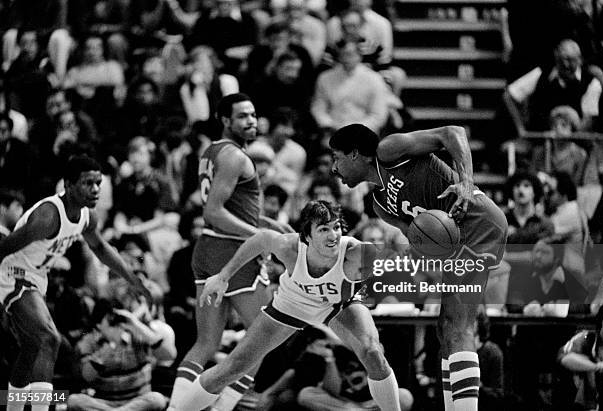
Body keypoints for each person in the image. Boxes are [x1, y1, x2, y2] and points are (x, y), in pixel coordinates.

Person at [329, 123, 508, 411]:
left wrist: (466, 182)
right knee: (445, 329)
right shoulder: (379, 205)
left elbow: (453, 133)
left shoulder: (388, 151)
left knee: (458, 326)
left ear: (355, 154)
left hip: (478, 224)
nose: (333, 169)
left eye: (336, 158)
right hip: (455, 242)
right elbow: (421, 244)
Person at [170, 200, 403, 411]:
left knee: (373, 352)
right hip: (293, 303)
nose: (333, 235)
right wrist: (223, 277)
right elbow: (260, 239)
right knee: (233, 367)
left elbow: (403, 265)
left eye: (336, 227)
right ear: (307, 236)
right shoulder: (289, 247)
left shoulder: (356, 252)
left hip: (339, 303)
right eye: (323, 229)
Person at [0, 154, 148, 411]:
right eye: (87, 183)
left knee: (32, 347)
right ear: (68, 185)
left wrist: (132, 280)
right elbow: (4, 249)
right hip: (12, 272)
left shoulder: (87, 217)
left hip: (36, 277)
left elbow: (101, 248)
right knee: (49, 338)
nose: (95, 189)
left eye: (98, 183)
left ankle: (12, 407)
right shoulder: (47, 217)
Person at [168, 93, 269, 410]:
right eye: (242, 116)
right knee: (262, 337)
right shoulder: (236, 157)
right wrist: (261, 237)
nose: (250, 121)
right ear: (225, 120)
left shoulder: (211, 151)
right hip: (232, 250)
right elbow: (213, 211)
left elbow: (238, 210)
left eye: (253, 114)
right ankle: (221, 408)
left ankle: (177, 407)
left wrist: (272, 228)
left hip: (208, 248)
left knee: (207, 342)